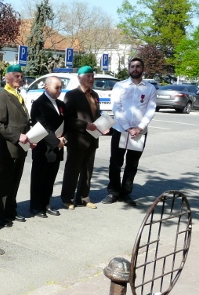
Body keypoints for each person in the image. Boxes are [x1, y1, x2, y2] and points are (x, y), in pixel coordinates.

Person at [102, 58, 157, 207]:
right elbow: (116, 108)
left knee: (132, 164)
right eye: (132, 66)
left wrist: (139, 127)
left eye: (138, 66)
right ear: (129, 69)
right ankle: (113, 192)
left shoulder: (150, 88)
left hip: (139, 132)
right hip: (121, 130)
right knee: (115, 162)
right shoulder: (120, 86)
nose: (135, 69)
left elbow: (151, 110)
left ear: (143, 69)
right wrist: (127, 127)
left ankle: (126, 193)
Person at [0, 64, 34, 227]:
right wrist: (17, 136)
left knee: (15, 180)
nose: (20, 79)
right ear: (7, 77)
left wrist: (30, 137)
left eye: (21, 76)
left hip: (21, 146)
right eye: (16, 76)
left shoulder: (18, 94)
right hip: (8, 147)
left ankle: (10, 210)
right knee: (4, 182)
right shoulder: (2, 96)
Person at [60, 66, 101, 210]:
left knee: (87, 171)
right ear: (79, 78)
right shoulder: (72, 95)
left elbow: (96, 115)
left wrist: (103, 125)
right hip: (77, 139)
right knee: (72, 170)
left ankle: (83, 197)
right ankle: (67, 198)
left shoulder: (95, 94)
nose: (91, 79)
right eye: (88, 76)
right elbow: (68, 118)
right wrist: (85, 125)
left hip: (92, 138)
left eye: (92, 76)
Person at [29, 76, 66, 218]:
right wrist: (56, 141)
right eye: (57, 87)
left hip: (58, 146)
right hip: (43, 148)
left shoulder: (61, 104)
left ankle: (47, 204)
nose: (59, 90)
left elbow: (66, 123)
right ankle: (36, 207)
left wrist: (64, 139)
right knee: (39, 178)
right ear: (46, 87)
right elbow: (41, 126)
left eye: (61, 87)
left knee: (50, 178)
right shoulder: (39, 104)